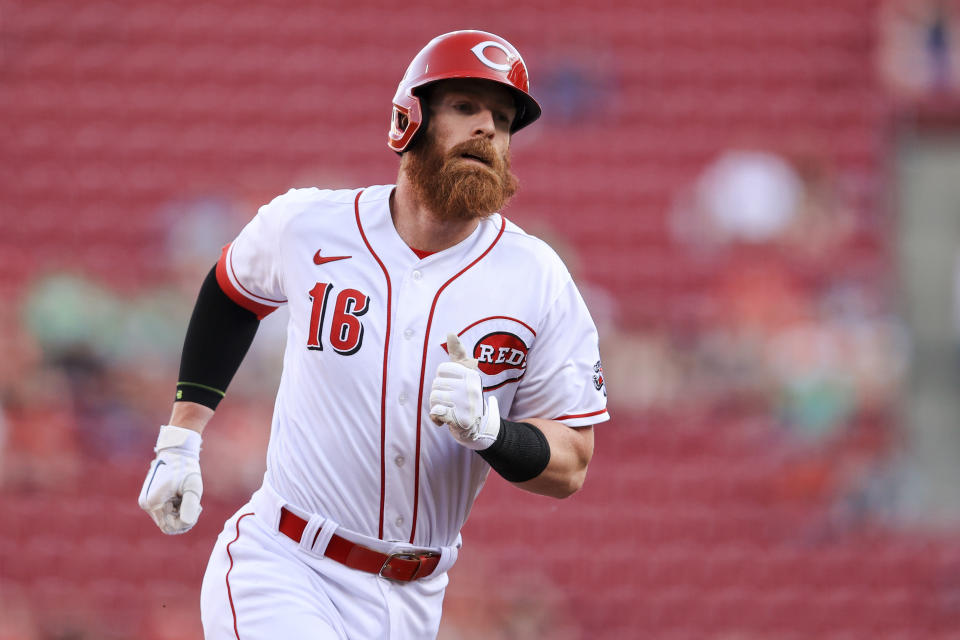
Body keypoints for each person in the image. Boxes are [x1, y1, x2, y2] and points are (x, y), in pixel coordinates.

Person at [138, 30, 609, 639]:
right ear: (409, 117)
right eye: (465, 106)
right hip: (285, 564)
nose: (488, 129)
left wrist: (493, 431)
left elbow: (570, 464)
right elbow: (231, 294)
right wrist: (181, 439)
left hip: (415, 601)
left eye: (502, 118)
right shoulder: (310, 223)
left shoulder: (536, 276)